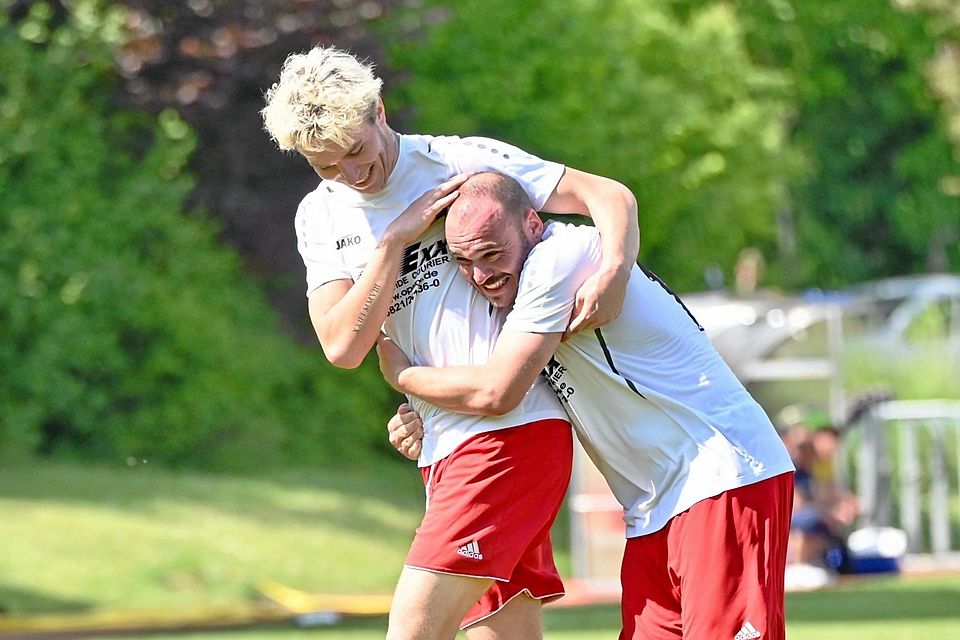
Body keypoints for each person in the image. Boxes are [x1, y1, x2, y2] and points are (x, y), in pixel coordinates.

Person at [260, 46, 640, 640]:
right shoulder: (319, 215)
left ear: (380, 110)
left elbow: (605, 195)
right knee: (503, 634)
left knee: (412, 632)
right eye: (326, 166)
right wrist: (393, 244)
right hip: (443, 440)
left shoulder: (456, 160)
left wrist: (614, 269)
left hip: (507, 434)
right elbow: (341, 345)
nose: (351, 175)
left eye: (357, 151)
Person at [378, 172, 796, 639]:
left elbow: (497, 392)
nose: (481, 276)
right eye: (464, 261)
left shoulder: (558, 260)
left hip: (721, 474)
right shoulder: (519, 298)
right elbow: (484, 384)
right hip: (652, 506)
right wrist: (423, 416)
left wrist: (402, 376)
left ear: (533, 224)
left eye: (492, 254)